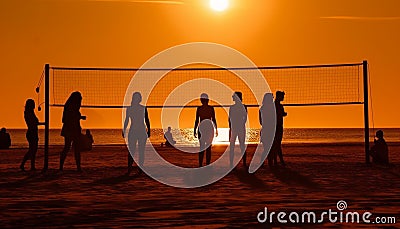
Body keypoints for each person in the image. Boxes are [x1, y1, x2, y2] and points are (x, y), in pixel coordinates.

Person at [123, 92, 151, 175]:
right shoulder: (131, 108)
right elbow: (127, 120)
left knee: (138, 151)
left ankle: (135, 169)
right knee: (135, 151)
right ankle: (132, 169)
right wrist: (124, 130)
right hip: (137, 131)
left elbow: (147, 119)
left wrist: (149, 130)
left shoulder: (141, 108)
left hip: (139, 131)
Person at [59, 91, 86, 171]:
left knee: (75, 148)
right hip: (69, 130)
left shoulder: (73, 107)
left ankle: (78, 167)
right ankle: (61, 166)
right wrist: (78, 117)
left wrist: (79, 117)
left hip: (74, 130)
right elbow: (64, 119)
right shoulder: (69, 107)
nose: (80, 102)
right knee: (67, 148)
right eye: (79, 99)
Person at [194, 93, 218, 167]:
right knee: (208, 148)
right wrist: (216, 129)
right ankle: (206, 164)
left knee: (202, 147)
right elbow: (213, 119)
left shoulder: (200, 108)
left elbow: (197, 120)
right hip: (208, 128)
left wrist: (194, 129)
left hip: (203, 128)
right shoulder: (210, 108)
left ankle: (201, 164)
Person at [229, 92, 247, 169]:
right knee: (238, 146)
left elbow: (245, 118)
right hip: (237, 128)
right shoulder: (233, 107)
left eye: (233, 96)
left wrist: (234, 126)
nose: (232, 97)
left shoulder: (240, 107)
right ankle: (236, 163)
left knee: (240, 145)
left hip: (237, 127)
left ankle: (240, 163)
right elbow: (230, 119)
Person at [20, 99, 39, 171]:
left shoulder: (30, 112)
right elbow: (33, 123)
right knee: (32, 150)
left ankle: (31, 166)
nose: (34, 105)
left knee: (33, 150)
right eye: (33, 104)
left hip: (33, 132)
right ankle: (24, 164)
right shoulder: (28, 113)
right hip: (31, 132)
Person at [259, 93, 275, 167]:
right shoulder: (272, 108)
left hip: (265, 129)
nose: (273, 99)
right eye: (272, 98)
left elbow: (260, 122)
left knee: (267, 148)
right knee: (269, 148)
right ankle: (268, 163)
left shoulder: (262, 108)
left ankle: (265, 162)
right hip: (269, 130)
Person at [271, 91, 287, 166]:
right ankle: (278, 161)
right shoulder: (278, 106)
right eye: (282, 96)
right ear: (279, 96)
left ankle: (278, 161)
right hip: (277, 127)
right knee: (276, 144)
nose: (283, 98)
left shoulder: (275, 106)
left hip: (277, 126)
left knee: (276, 144)